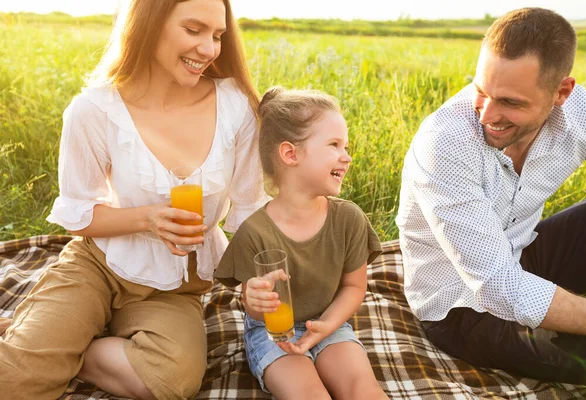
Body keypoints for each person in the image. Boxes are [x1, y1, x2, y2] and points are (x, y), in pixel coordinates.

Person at [0, 0, 269, 399]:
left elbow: (249, 210)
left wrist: (257, 279)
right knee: (16, 380)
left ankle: (70, 345)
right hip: (100, 263)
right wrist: (149, 219)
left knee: (173, 380)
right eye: (193, 30)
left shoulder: (236, 107)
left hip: (176, 285)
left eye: (217, 36)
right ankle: (51, 337)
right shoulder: (93, 110)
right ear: (150, 23)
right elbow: (80, 215)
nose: (210, 49)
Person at [397, 7, 586, 387]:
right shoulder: (445, 144)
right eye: (480, 90)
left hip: (522, 257)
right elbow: (500, 288)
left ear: (562, 92)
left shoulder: (581, 112)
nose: (487, 114)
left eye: (511, 102)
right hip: (459, 307)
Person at [214, 87, 389, 399]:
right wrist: (255, 301)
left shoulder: (348, 219)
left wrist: (327, 324)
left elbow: (353, 287)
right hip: (273, 333)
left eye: (345, 146)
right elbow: (253, 308)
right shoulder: (254, 231)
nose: (346, 156)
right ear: (290, 154)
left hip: (329, 323)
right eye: (334, 145)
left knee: (363, 390)